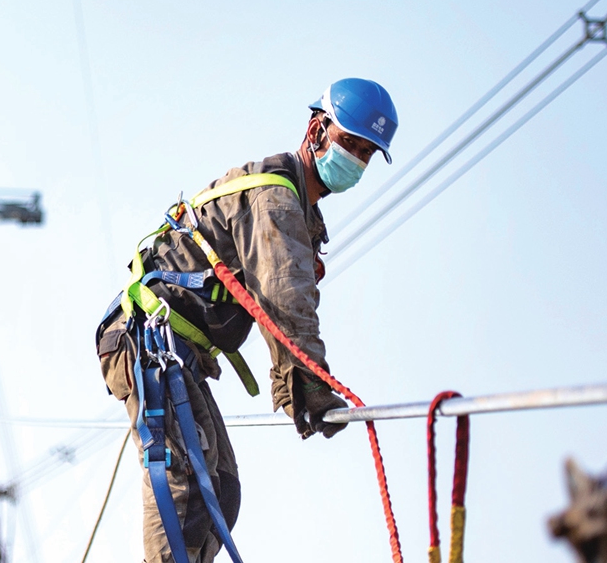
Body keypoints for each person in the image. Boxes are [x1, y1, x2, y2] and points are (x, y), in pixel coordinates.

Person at [95, 78, 399, 563]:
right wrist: (309, 387)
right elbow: (285, 301)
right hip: (148, 341)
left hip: (177, 350)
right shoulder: (275, 200)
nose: (356, 160)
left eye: (365, 153)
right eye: (349, 144)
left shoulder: (298, 208)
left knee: (222, 491)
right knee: (188, 485)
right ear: (316, 129)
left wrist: (299, 385)